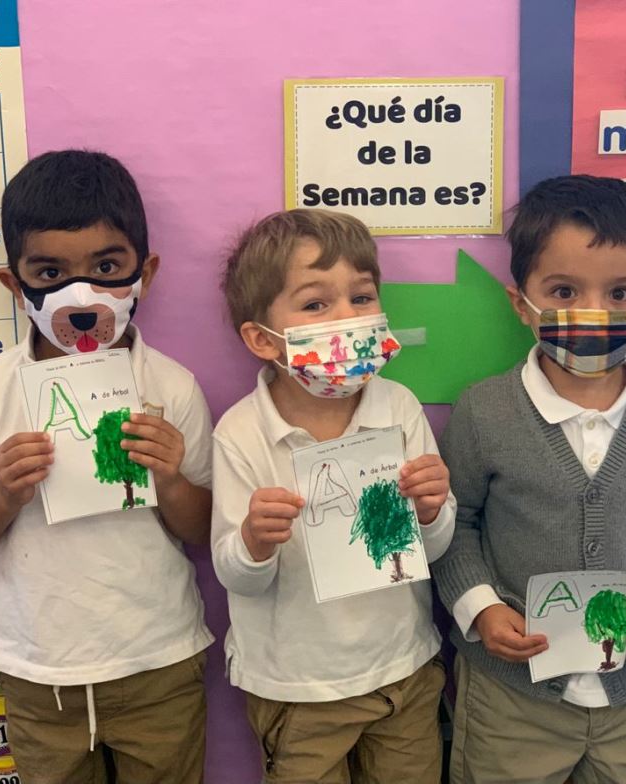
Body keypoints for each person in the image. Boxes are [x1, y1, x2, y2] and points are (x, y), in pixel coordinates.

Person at [434, 174, 626, 784]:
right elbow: (452, 523)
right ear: (522, 303)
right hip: (512, 696)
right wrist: (480, 608)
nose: (594, 312)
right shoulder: (484, 412)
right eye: (564, 291)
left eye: (620, 292)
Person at [0, 150, 213, 784]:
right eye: (50, 272)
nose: (79, 295)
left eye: (107, 267)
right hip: (39, 673)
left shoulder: (171, 386)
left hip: (159, 663)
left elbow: (204, 529)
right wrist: (4, 495)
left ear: (146, 273)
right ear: (16, 285)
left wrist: (170, 479)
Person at [212, 208, 456, 783]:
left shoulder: (398, 407)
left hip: (404, 672)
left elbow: (432, 550)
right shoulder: (241, 432)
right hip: (296, 689)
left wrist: (431, 511)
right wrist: (253, 541)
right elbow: (235, 575)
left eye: (362, 297)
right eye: (316, 304)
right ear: (262, 339)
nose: (347, 317)